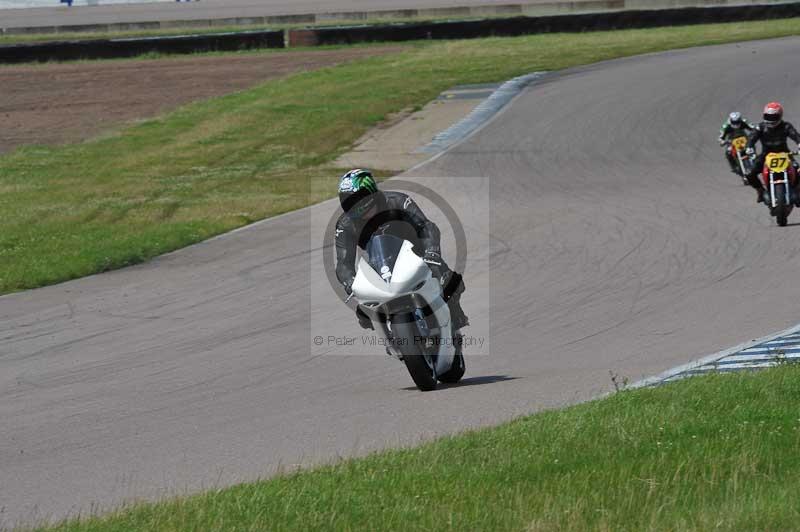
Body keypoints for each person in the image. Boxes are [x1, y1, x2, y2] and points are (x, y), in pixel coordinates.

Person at [334, 169, 469, 331]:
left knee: (449, 283)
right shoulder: (345, 225)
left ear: (371, 191)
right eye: (350, 203)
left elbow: (426, 227)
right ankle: (392, 337)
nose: (358, 206)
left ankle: (453, 326)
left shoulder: (398, 201)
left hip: (419, 257)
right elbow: (343, 263)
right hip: (381, 266)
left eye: (361, 198)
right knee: (363, 315)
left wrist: (431, 251)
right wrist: (350, 282)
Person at [745, 102, 800, 204]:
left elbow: (795, 135)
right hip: (766, 155)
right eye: (768, 116)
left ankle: (797, 191)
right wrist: (749, 147)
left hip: (785, 154)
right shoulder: (760, 127)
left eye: (773, 116)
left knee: (798, 169)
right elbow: (751, 138)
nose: (770, 120)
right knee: (749, 173)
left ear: (780, 116)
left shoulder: (786, 126)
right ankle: (760, 191)